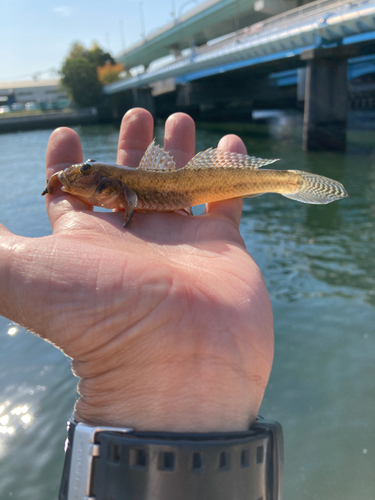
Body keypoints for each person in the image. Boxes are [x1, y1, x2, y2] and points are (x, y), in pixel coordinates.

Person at [0, 108, 274, 433]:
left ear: (113, 188)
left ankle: (284, 181)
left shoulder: (124, 189)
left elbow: (129, 197)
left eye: (87, 171)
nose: (77, 173)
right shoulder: (109, 186)